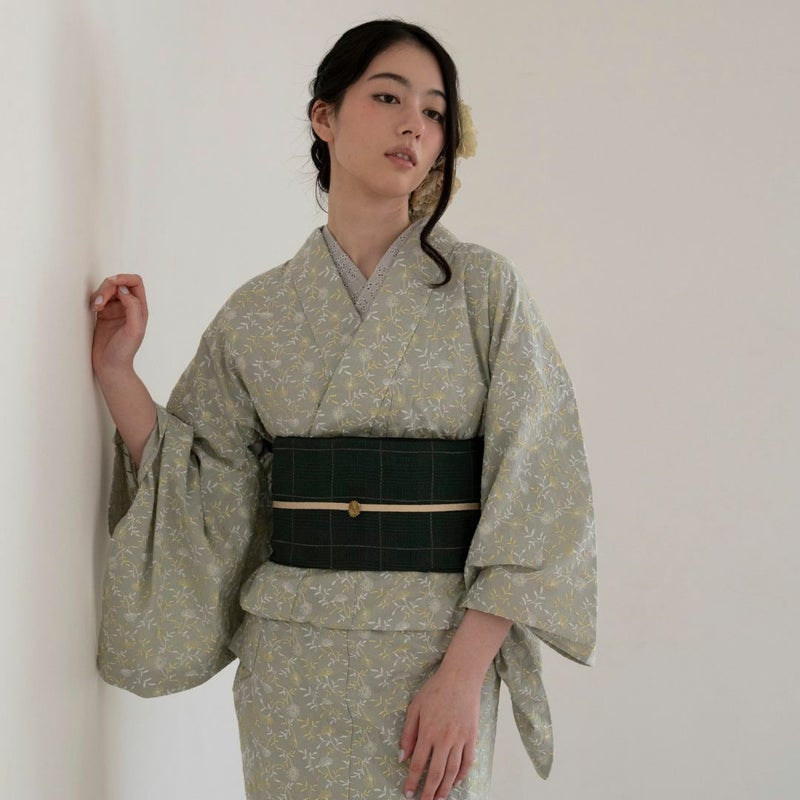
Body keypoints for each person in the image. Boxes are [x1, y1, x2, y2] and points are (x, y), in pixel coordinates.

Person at [90, 19, 596, 800]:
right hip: (292, 658)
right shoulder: (259, 312)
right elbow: (200, 481)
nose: (413, 125)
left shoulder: (485, 291)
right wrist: (117, 371)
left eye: (434, 111)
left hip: (434, 654)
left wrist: (464, 675)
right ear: (324, 116)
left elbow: (538, 490)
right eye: (388, 97)